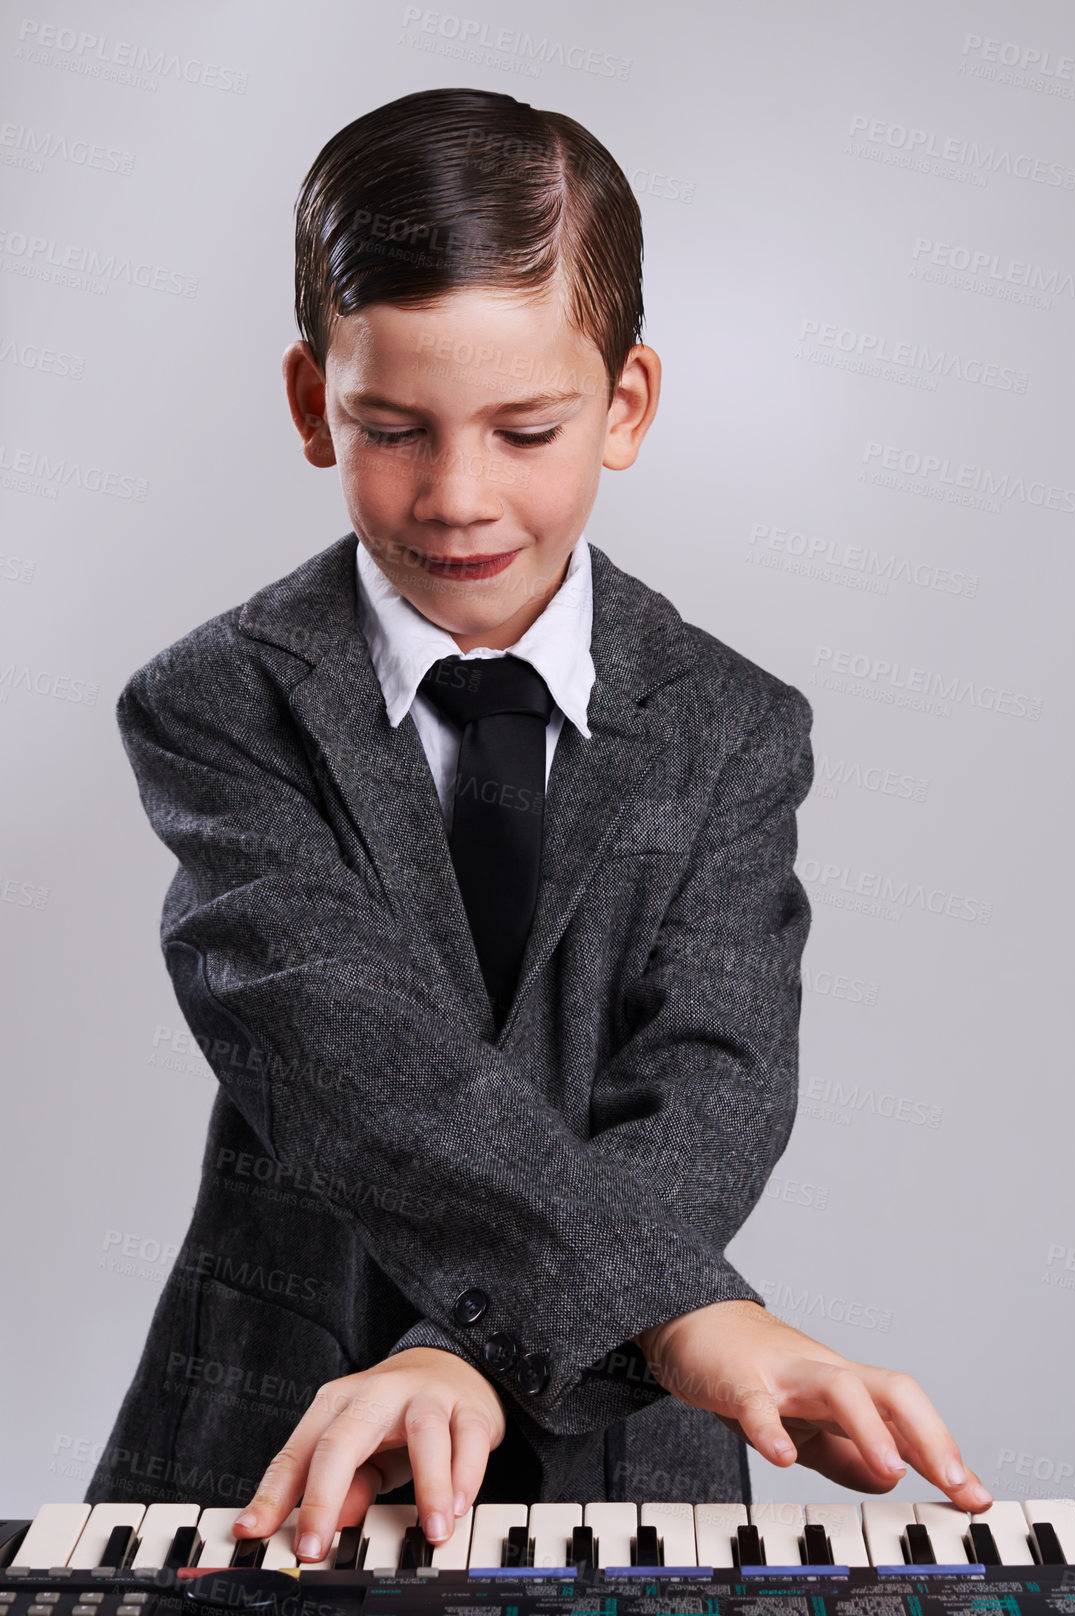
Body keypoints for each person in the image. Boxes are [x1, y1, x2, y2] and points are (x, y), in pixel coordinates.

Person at [88, 87, 990, 1561]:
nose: (459, 496)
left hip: (632, 1456)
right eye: (395, 429)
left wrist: (468, 1349)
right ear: (317, 405)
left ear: (623, 406)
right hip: (280, 1420)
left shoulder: (731, 724)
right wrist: (684, 1310)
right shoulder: (214, 706)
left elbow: (713, 1079)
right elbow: (348, 1057)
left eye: (524, 430)